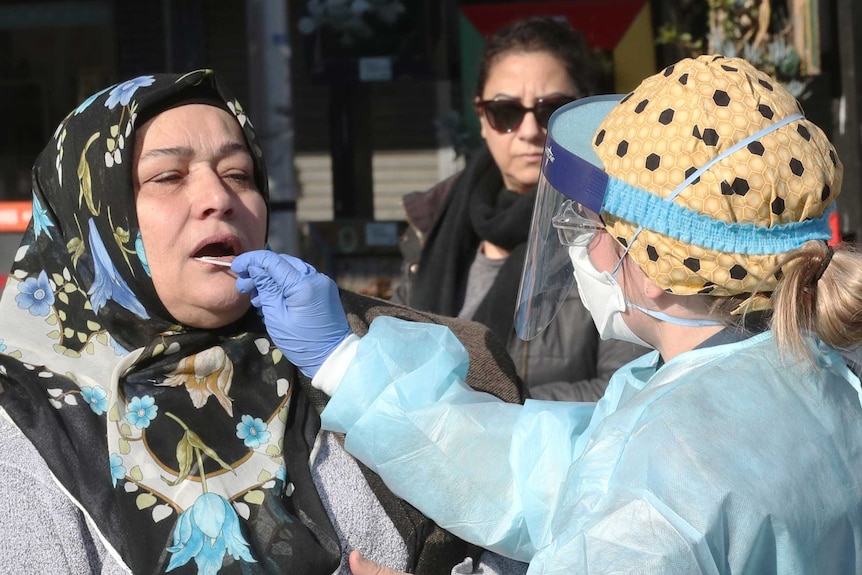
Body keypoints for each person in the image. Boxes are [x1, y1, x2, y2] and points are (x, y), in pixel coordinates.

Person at [233, 55, 862, 574]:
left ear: (658, 267)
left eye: (594, 228)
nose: (581, 247)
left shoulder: (665, 470)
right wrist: (346, 361)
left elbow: (626, 513)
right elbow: (540, 472)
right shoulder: (807, 376)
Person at [0, 70, 529, 575]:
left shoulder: (401, 355)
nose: (219, 199)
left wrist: (348, 360)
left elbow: (534, 538)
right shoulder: (19, 422)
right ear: (87, 218)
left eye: (239, 174)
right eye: (167, 177)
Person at [392, 16, 645, 401]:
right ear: (482, 119)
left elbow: (631, 387)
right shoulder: (433, 224)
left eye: (551, 109)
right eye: (505, 112)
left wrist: (490, 407)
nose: (529, 130)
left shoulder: (618, 228)